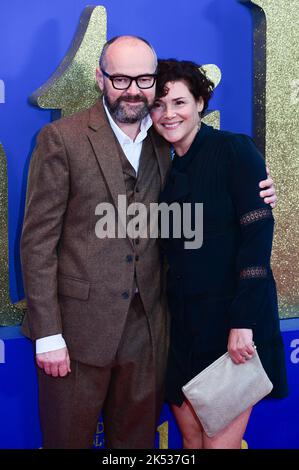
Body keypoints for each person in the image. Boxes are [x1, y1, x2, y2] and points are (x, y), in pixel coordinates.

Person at [20, 36, 277, 449]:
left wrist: (259, 193)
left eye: (144, 79)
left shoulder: (166, 141)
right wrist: (49, 334)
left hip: (150, 335)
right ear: (100, 78)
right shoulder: (62, 139)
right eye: (121, 78)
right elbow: (37, 242)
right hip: (78, 333)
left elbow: (229, 203)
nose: (134, 90)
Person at [150, 59, 288, 449]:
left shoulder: (233, 149)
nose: (168, 113)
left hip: (232, 325)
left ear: (200, 103)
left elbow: (257, 239)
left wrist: (243, 323)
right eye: (158, 105)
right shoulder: (160, 165)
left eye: (179, 102)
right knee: (192, 444)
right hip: (180, 328)